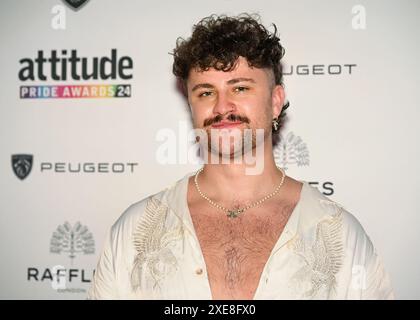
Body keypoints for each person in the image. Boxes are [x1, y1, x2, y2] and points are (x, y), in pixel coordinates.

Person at [88, 14, 394, 299]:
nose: (222, 107)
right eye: (206, 93)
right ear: (191, 106)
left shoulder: (339, 233)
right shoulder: (134, 232)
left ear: (275, 102)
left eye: (240, 88)